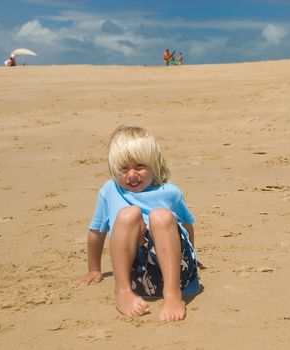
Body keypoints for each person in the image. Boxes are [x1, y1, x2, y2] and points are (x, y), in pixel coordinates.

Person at [77, 125, 199, 321]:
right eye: (123, 168)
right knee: (128, 215)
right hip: (135, 275)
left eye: (140, 167)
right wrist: (94, 268)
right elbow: (96, 232)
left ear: (154, 165)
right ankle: (122, 291)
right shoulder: (109, 190)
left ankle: (172, 294)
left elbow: (186, 227)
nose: (131, 175)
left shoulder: (169, 192)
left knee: (160, 216)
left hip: (176, 273)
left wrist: (192, 258)